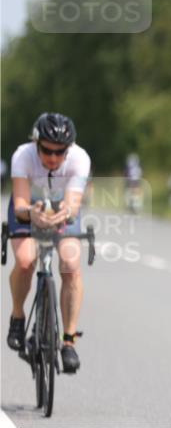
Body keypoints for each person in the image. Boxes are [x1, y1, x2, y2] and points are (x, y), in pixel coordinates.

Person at [6, 112, 92, 372]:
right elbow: (20, 204)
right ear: (36, 143)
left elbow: (73, 205)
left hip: (62, 208)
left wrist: (63, 213)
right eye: (47, 150)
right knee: (25, 260)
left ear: (69, 149)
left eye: (60, 152)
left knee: (70, 264)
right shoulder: (23, 155)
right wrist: (32, 214)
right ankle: (18, 316)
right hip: (28, 208)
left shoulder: (80, 158)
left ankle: (68, 341)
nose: (53, 158)